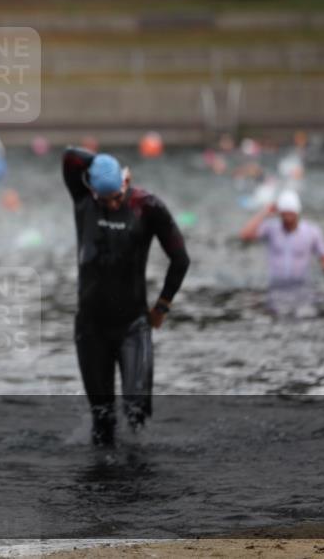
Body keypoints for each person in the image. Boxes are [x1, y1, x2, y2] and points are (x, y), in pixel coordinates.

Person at [62, 149, 190, 446]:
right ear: (92, 190)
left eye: (118, 196)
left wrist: (162, 306)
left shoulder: (146, 206)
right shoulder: (83, 200)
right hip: (91, 329)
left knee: (137, 415)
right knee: (102, 421)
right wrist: (102, 163)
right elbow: (69, 156)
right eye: (106, 199)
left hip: (133, 327)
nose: (114, 204)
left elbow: (180, 259)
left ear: (125, 181)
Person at [240, 188, 324, 289]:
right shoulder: (271, 228)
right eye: (285, 214)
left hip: (301, 287)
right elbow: (245, 235)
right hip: (275, 287)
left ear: (297, 213)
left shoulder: (312, 232)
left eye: (291, 214)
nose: (287, 219)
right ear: (280, 213)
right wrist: (265, 212)